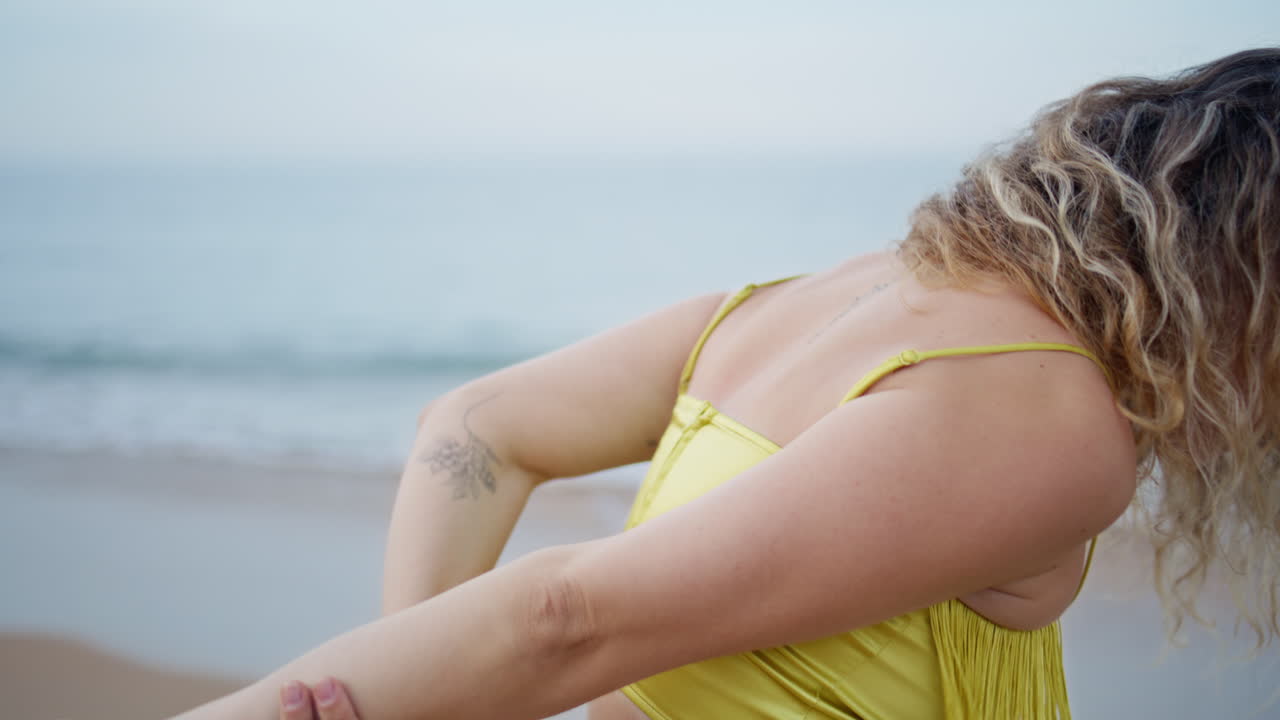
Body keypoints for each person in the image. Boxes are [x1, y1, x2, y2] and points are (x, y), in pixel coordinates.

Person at [174, 48, 1280, 720]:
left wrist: (422, 683)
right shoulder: (1050, 414)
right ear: (1236, 266)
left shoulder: (816, 300)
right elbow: (563, 615)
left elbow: (473, 426)